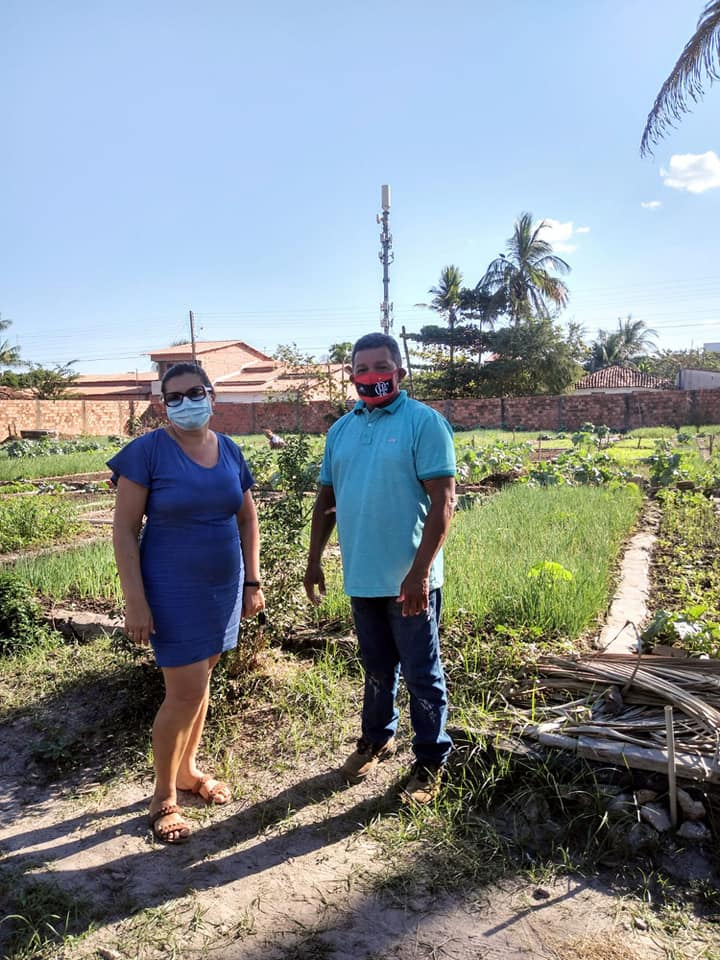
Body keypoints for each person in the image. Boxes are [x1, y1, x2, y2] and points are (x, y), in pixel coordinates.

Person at [109, 362, 264, 843]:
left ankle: (187, 771)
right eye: (172, 397)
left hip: (222, 590)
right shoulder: (147, 452)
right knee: (184, 693)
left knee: (201, 683)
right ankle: (162, 799)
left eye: (193, 392)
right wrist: (135, 599)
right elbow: (123, 530)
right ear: (162, 404)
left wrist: (252, 582)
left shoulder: (230, 450)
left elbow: (246, 519)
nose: (184, 403)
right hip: (172, 591)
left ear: (211, 394)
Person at [303, 333, 456, 804]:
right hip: (362, 577)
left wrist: (418, 574)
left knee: (422, 672)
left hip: (409, 582)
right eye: (362, 368)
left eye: (381, 366)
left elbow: (444, 502)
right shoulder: (341, 431)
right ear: (350, 376)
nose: (371, 376)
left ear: (400, 372)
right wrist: (313, 560)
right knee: (375, 667)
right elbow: (326, 500)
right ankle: (376, 738)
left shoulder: (423, 423)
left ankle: (430, 762)